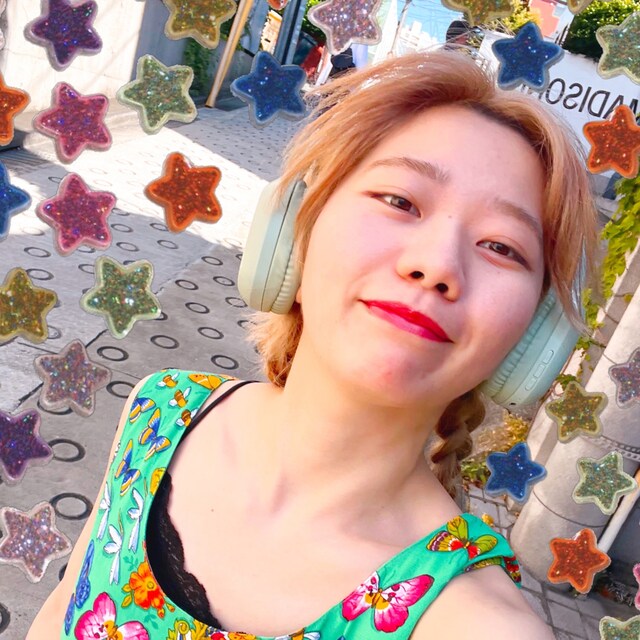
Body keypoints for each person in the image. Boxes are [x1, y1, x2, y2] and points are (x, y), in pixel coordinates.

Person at [29, 49, 600, 639]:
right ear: (294, 232)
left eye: (502, 247)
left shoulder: (480, 625)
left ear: (532, 338)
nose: (437, 265)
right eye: (400, 201)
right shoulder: (159, 413)